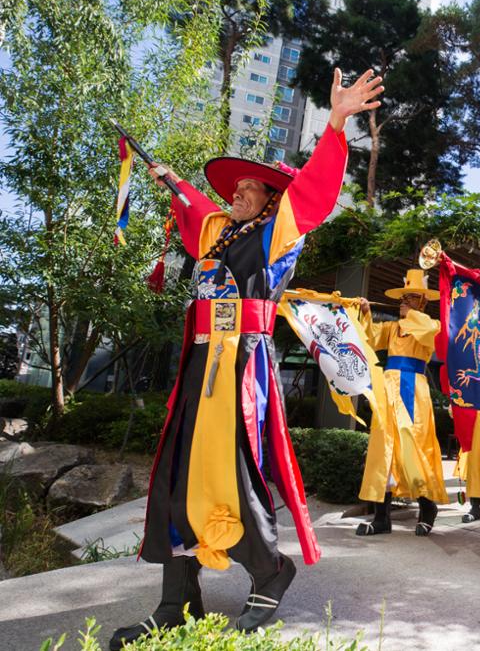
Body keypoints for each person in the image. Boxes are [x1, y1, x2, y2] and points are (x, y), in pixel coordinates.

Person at [110, 69, 384, 650]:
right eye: (235, 189)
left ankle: (268, 570)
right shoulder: (219, 235)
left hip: (241, 367)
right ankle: (176, 598)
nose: (237, 192)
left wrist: (335, 122)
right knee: (180, 471)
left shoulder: (278, 234)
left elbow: (313, 194)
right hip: (200, 362)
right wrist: (165, 175)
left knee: (236, 470)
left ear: (272, 201)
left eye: (250, 188)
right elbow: (192, 207)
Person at [356, 270, 449, 537]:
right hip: (388, 388)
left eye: (412, 298)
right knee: (382, 449)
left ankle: (427, 506)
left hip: (413, 389)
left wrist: (411, 314)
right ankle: (381, 517)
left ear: (423, 303)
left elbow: (430, 332)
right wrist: (364, 312)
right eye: (404, 297)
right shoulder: (392, 328)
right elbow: (370, 338)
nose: (404, 302)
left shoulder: (430, 325)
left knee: (414, 447)